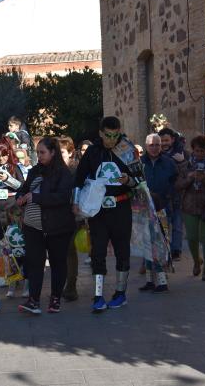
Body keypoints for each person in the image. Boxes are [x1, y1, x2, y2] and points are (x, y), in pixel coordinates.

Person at [73, 117, 138, 313]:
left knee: (122, 251)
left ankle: (120, 293)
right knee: (98, 252)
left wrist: (128, 179)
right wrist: (76, 202)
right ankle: (98, 295)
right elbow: (79, 178)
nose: (112, 139)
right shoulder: (93, 152)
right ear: (101, 133)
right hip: (98, 210)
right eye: (108, 135)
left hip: (121, 207)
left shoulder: (127, 150)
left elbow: (140, 180)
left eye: (116, 135)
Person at [16, 137, 75, 314]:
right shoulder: (34, 171)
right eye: (37, 152)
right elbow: (25, 188)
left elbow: (62, 198)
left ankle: (55, 298)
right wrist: (20, 196)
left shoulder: (63, 173)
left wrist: (37, 198)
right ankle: (33, 300)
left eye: (42, 152)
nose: (39, 156)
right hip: (32, 226)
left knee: (58, 263)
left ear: (53, 152)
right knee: (35, 262)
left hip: (57, 226)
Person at [175, 135, 205, 281]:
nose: (200, 153)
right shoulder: (185, 166)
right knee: (192, 238)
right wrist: (190, 177)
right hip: (189, 206)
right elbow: (178, 186)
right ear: (193, 150)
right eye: (197, 150)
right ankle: (197, 261)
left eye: (203, 151)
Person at [138, 134, 177, 293]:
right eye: (151, 145)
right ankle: (149, 280)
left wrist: (168, 198)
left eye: (157, 145)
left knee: (160, 244)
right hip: (144, 208)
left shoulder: (169, 163)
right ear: (146, 146)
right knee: (146, 244)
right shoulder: (140, 163)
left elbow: (175, 183)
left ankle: (162, 281)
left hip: (162, 208)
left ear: (161, 146)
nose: (154, 148)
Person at [159, 127, 188, 261]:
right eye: (162, 141)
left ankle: (176, 250)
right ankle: (165, 249)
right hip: (162, 196)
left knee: (177, 226)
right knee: (163, 225)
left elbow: (187, 175)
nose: (164, 143)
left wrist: (182, 162)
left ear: (173, 140)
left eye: (166, 140)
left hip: (177, 196)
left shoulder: (182, 154)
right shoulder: (156, 155)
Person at [58, 137, 80, 302]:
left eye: (63, 152)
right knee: (62, 251)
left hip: (72, 213)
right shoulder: (55, 168)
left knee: (70, 251)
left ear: (71, 152)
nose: (59, 155)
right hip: (58, 214)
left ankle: (71, 286)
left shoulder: (74, 169)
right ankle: (65, 283)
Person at [0, 137, 24, 227]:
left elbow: (22, 186)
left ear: (8, 154)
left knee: (12, 234)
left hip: (12, 207)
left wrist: (7, 179)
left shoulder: (15, 168)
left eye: (4, 155)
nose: (1, 159)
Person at [4, 205, 28, 298]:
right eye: (17, 215)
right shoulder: (9, 227)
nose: (18, 217)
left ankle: (26, 290)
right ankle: (11, 290)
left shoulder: (25, 226)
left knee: (26, 271)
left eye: (20, 215)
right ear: (10, 215)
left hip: (24, 251)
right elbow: (7, 240)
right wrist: (6, 249)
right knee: (13, 271)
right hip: (13, 253)